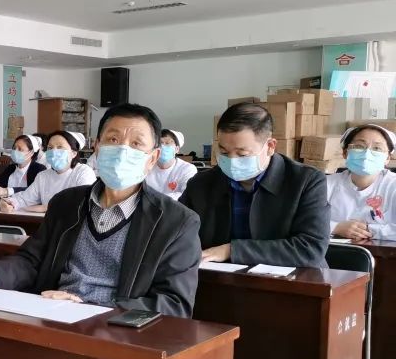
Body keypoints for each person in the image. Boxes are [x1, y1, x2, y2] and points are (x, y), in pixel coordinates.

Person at [0, 104, 200, 317]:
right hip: (52, 316)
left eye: (136, 144)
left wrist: (91, 308)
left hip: (116, 330)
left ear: (152, 158)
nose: (122, 150)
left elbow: (174, 304)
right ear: (97, 147)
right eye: (113, 139)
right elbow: (32, 260)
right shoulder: (67, 203)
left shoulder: (176, 221)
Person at [180, 102, 329, 267]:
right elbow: (177, 233)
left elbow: (310, 248)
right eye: (224, 152)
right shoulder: (201, 184)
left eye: (242, 154)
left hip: (293, 279)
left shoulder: (306, 181)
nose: (232, 160)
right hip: (218, 276)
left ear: (270, 146)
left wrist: (231, 251)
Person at [327, 124, 396, 241]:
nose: (367, 154)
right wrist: (336, 227)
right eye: (359, 146)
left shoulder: (393, 185)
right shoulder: (326, 184)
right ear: (345, 153)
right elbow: (303, 221)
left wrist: (369, 230)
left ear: (387, 158)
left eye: (377, 148)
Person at [0, 130, 96, 212]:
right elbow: (24, 199)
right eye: (50, 148)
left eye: (60, 147)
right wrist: (6, 203)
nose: (54, 151)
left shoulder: (83, 172)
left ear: (74, 153)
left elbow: (82, 203)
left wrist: (46, 207)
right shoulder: (43, 176)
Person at [145, 129, 197, 199]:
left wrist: (155, 199)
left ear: (177, 149)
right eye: (159, 143)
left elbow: (186, 194)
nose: (162, 146)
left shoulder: (187, 169)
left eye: (167, 143)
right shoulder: (146, 166)